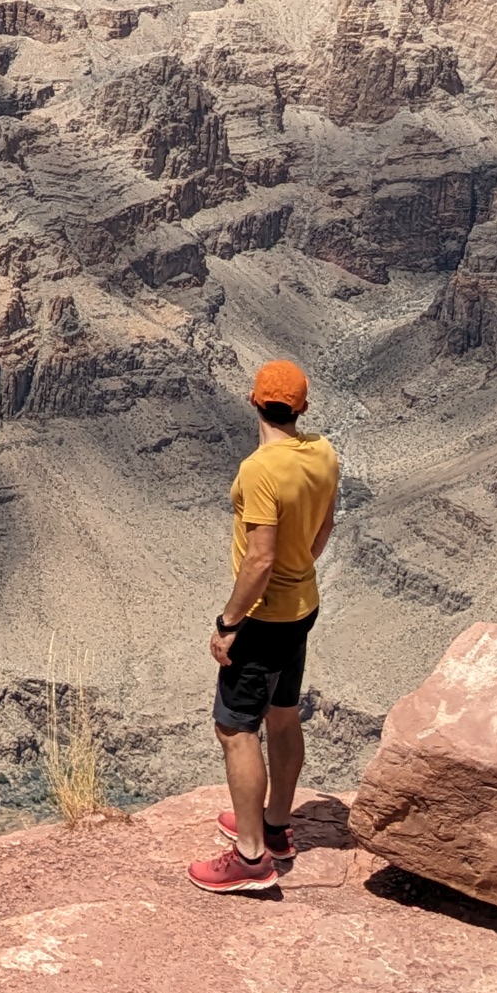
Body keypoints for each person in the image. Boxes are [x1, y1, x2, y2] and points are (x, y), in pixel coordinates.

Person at [188, 358, 339, 895]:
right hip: (302, 605)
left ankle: (251, 856)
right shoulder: (322, 453)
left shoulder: (260, 469)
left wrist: (229, 622)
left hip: (263, 615)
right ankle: (275, 828)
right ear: (302, 407)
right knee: (282, 713)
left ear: (253, 401)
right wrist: (299, 571)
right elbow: (321, 532)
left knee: (235, 729)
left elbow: (258, 560)